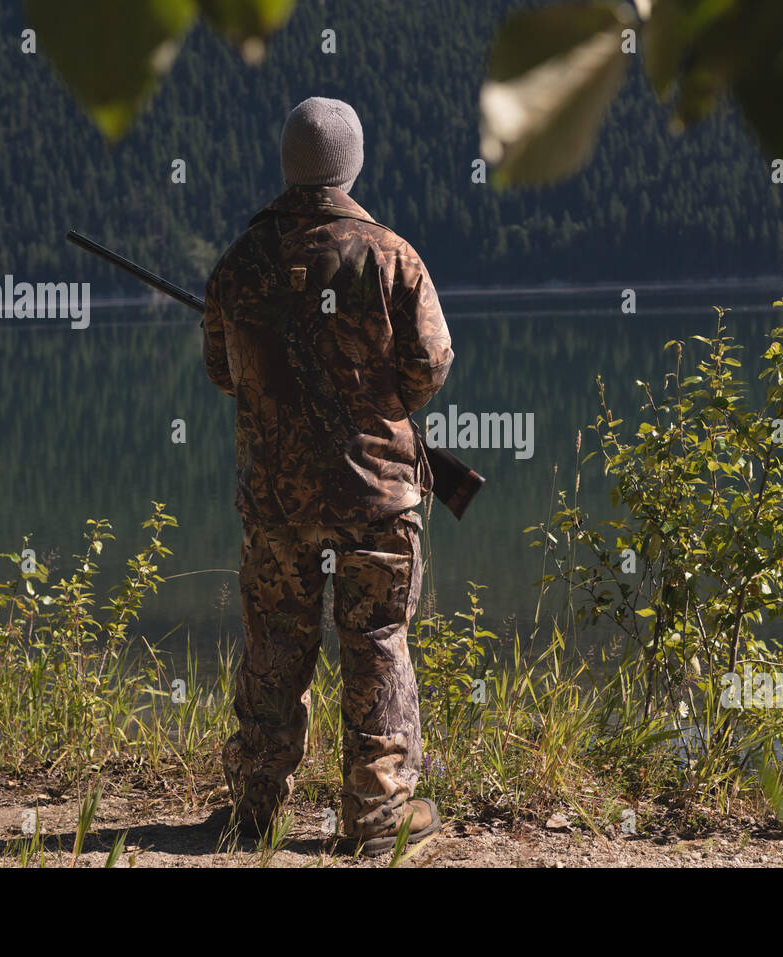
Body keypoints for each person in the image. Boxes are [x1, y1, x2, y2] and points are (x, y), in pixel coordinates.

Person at [201, 96, 452, 855]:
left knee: (275, 638)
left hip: (276, 500)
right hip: (376, 495)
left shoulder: (239, 263)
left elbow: (224, 372)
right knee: (376, 639)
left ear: (287, 163)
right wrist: (372, 401)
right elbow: (428, 369)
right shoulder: (391, 256)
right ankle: (377, 819)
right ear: (353, 165)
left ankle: (253, 810)